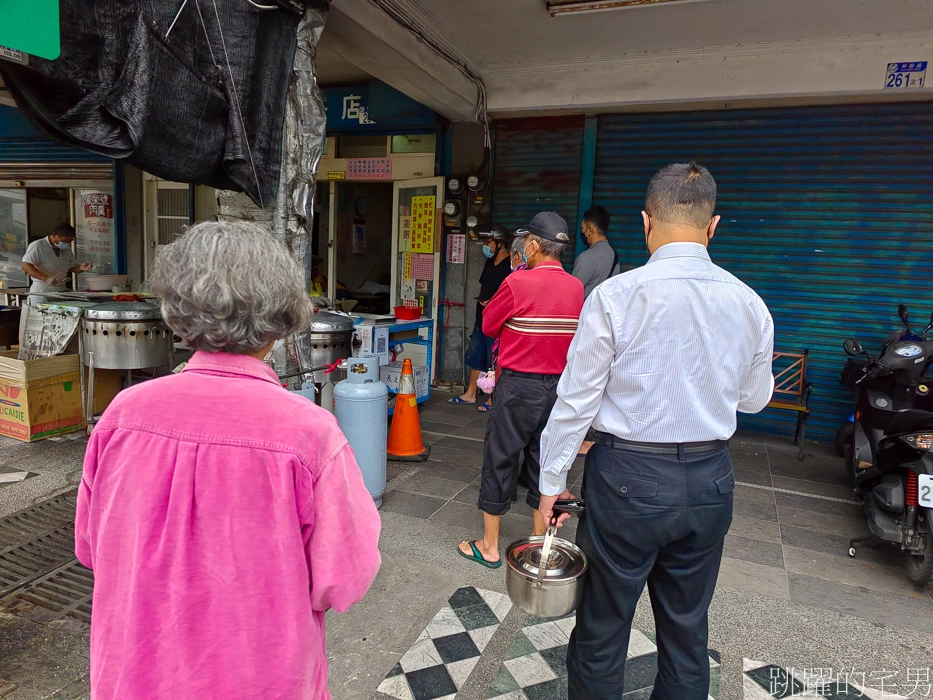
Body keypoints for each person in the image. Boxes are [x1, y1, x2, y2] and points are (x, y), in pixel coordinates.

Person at [74, 221, 381, 699]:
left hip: (135, 675)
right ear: (281, 315)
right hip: (260, 678)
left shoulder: (122, 415)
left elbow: (93, 548)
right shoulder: (308, 433)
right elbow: (342, 581)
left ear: (177, 308)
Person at [538, 163, 774, 699]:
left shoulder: (615, 297)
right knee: (687, 633)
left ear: (647, 222)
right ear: (713, 227)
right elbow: (755, 399)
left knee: (602, 629)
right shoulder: (750, 303)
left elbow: (576, 402)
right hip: (711, 482)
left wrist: (550, 480)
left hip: (625, 482)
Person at [457, 212, 584, 568]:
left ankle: (490, 546)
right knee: (546, 463)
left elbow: (489, 325)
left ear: (531, 245)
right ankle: (538, 546)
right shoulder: (576, 288)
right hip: (558, 390)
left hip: (518, 387)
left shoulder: (517, 284)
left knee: (500, 458)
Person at [449, 225, 512, 411]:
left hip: (497, 319)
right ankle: (470, 393)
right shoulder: (489, 263)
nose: (486, 247)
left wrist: (494, 303)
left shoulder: (509, 266)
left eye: (489, 243)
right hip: (481, 317)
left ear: (500, 243)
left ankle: (492, 398)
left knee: (493, 359)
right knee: (476, 356)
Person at [20, 223, 92, 304]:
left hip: (60, 290)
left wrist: (81, 268)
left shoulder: (66, 249)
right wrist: (47, 279)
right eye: (64, 242)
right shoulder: (38, 245)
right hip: (42, 290)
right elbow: (25, 265)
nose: (66, 244)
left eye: (69, 242)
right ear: (54, 236)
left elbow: (71, 267)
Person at [572, 205, 619, 298]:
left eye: (582, 227)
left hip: (587, 311)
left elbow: (571, 292)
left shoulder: (586, 258)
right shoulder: (614, 257)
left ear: (590, 230)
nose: (581, 231)